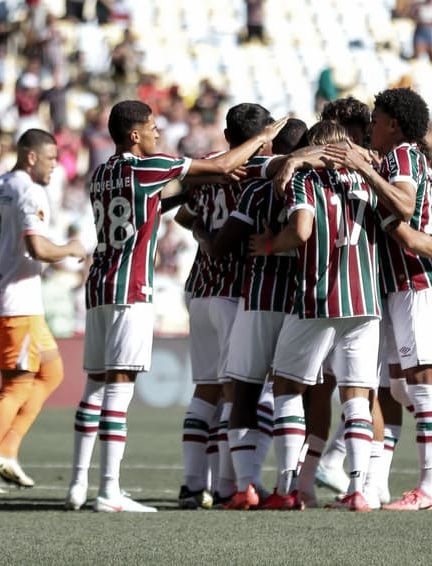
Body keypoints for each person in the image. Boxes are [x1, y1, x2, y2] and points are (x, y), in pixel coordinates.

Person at [65, 100, 285, 513]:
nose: (157, 134)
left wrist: (195, 196)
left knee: (94, 387)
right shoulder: (144, 167)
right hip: (131, 286)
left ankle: (77, 484)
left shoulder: (101, 174)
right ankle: (110, 490)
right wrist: (263, 139)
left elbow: (159, 206)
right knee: (121, 385)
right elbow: (220, 168)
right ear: (134, 135)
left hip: (97, 285)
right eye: (151, 128)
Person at [324, 88, 432, 511]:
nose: (372, 128)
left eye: (376, 120)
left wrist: (366, 170)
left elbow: (407, 209)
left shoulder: (404, 156)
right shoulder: (397, 161)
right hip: (403, 286)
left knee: (423, 387)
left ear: (393, 124)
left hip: (417, 283)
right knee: (402, 386)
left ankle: (429, 489)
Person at [248, 120, 385, 512]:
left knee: (287, 388)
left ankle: (288, 487)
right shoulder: (366, 182)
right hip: (365, 302)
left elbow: (302, 231)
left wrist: (271, 245)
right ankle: (359, 489)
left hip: (318, 298)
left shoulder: (307, 181)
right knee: (357, 396)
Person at [0, 128, 86, 494]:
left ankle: (6, 451)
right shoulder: (30, 190)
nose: (55, 167)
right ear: (31, 157)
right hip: (17, 304)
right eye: (51, 159)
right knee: (16, 385)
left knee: (52, 371)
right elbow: (39, 249)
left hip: (1, 297)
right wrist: (70, 248)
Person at [198, 117, 309, 510]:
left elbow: (225, 243)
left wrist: (205, 232)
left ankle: (245, 485)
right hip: (303, 303)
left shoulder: (259, 189)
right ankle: (291, 486)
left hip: (259, 298)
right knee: (291, 394)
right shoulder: (318, 186)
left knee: (244, 390)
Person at [173, 103, 279, 510]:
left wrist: (202, 231)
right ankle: (231, 486)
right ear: (261, 138)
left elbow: (184, 214)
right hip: (234, 290)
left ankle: (191, 485)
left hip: (199, 288)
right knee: (240, 390)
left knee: (207, 389)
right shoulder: (253, 171)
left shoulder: (208, 167)